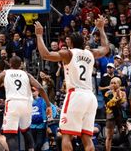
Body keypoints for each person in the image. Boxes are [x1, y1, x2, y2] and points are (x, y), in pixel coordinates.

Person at [35, 16, 109, 151]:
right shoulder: (91, 53)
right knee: (87, 137)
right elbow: (105, 48)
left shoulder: (68, 53)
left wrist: (39, 36)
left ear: (71, 43)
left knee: (66, 135)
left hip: (76, 95)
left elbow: (45, 55)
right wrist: (101, 28)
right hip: (90, 97)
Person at [0, 56, 52, 151]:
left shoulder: (4, 73)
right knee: (26, 130)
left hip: (13, 103)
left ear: (10, 64)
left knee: (10, 135)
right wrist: (48, 105)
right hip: (26, 104)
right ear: (20, 65)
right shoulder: (26, 74)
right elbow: (40, 88)